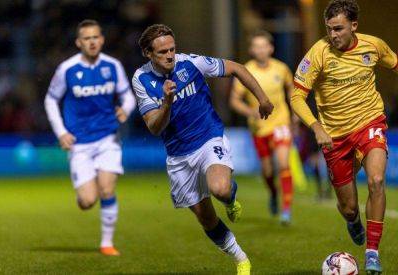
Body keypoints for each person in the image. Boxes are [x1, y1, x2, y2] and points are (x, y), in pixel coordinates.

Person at [132, 24, 273, 275]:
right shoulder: (141, 79)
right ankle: (241, 258)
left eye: (172, 49)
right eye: (162, 51)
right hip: (178, 155)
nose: (169, 56)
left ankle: (230, 196)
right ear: (148, 54)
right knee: (206, 218)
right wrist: (167, 102)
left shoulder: (192, 63)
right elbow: (154, 127)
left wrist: (262, 99)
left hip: (209, 138)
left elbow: (237, 68)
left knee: (220, 188)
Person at [290, 0, 397, 273]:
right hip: (334, 137)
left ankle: (372, 251)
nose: (333, 35)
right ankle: (353, 222)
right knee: (348, 208)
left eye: (339, 29)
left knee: (376, 179)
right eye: (329, 29)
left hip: (370, 123)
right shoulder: (318, 53)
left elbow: (394, 63)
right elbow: (296, 96)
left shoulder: (373, 46)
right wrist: (316, 126)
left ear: (354, 25)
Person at [44, 19, 136, 256]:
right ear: (79, 42)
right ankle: (84, 195)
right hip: (80, 143)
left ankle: (107, 243)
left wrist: (125, 109)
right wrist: (61, 132)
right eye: (87, 38)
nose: (92, 42)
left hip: (108, 138)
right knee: (87, 201)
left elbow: (128, 96)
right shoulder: (67, 69)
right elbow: (51, 99)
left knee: (107, 189)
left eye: (96, 37)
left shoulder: (113, 66)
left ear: (102, 39)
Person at [230, 30, 294, 224]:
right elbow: (234, 100)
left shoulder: (282, 69)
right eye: (256, 46)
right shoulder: (245, 71)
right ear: (251, 50)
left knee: (283, 163)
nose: (260, 50)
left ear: (271, 48)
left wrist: (295, 113)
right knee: (267, 172)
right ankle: (273, 193)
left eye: (263, 46)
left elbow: (291, 91)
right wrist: (250, 112)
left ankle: (286, 210)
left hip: (281, 122)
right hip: (259, 127)